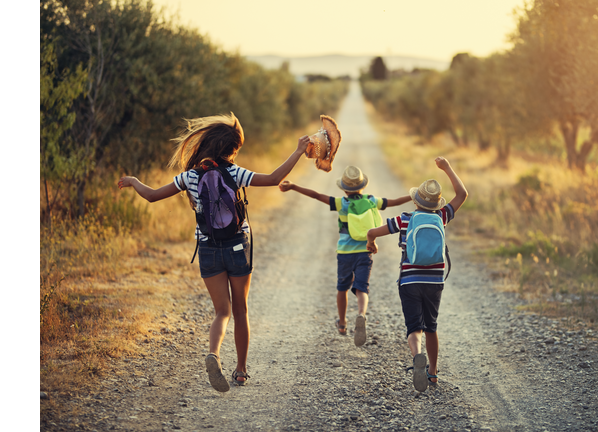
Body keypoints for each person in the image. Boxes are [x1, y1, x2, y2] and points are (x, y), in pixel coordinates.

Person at [118, 113, 311, 392]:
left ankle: (214, 354)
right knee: (240, 310)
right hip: (237, 246)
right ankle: (241, 371)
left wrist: (134, 181)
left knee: (222, 312)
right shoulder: (235, 172)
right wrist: (298, 151)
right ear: (231, 148)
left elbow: (152, 195)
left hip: (208, 249)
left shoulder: (190, 176)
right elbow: (274, 178)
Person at [366, 157, 467, 392]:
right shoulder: (441, 217)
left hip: (409, 281)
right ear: (436, 203)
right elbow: (462, 194)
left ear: (416, 200)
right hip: (434, 281)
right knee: (431, 326)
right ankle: (433, 373)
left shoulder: (404, 219)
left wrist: (371, 242)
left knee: (414, 327)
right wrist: (447, 167)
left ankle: (417, 356)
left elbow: (372, 231)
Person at [279, 166, 411, 346]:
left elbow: (316, 195)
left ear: (344, 189)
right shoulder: (372, 200)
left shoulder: (341, 203)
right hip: (365, 251)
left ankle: (342, 323)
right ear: (362, 186)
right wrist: (413, 197)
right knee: (362, 288)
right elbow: (394, 202)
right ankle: (361, 314)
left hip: (344, 253)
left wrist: (294, 186)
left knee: (342, 288)